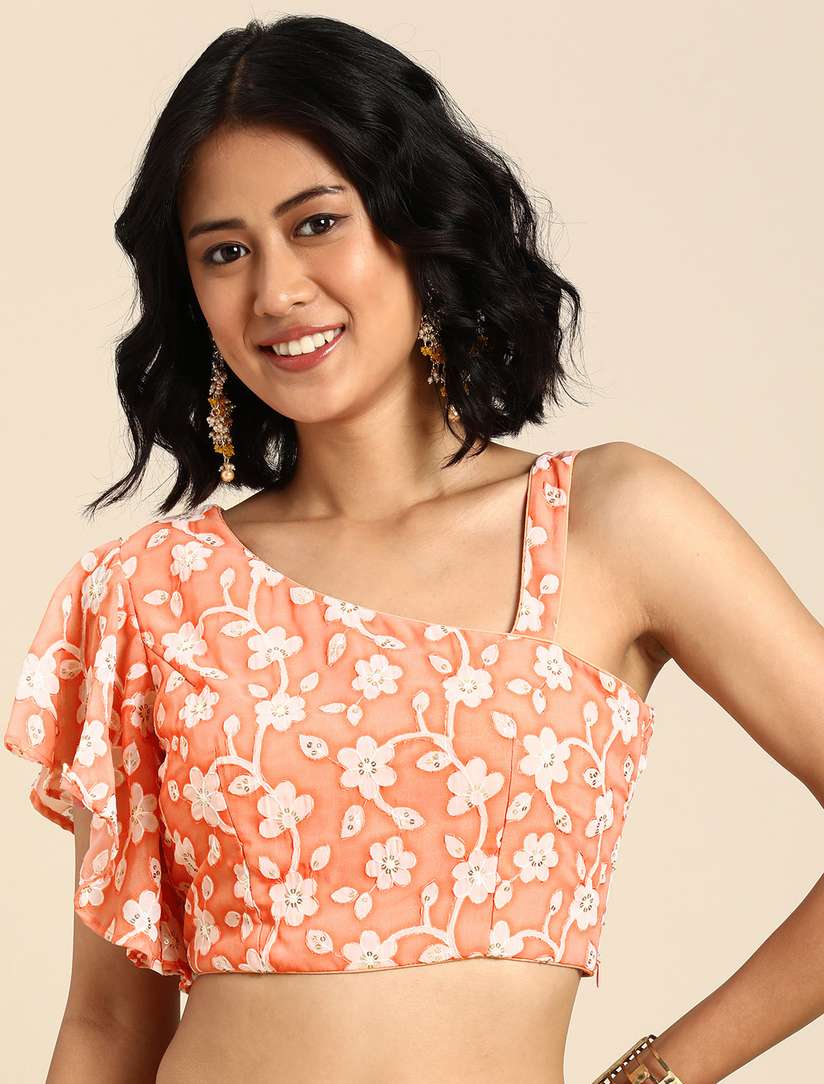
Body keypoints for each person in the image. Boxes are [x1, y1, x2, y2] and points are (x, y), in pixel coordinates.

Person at [4, 15, 823, 1084]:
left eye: (316, 223)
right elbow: (110, 1024)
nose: (275, 291)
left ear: (414, 222)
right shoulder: (150, 592)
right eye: (224, 251)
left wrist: (654, 1077)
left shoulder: (607, 520)